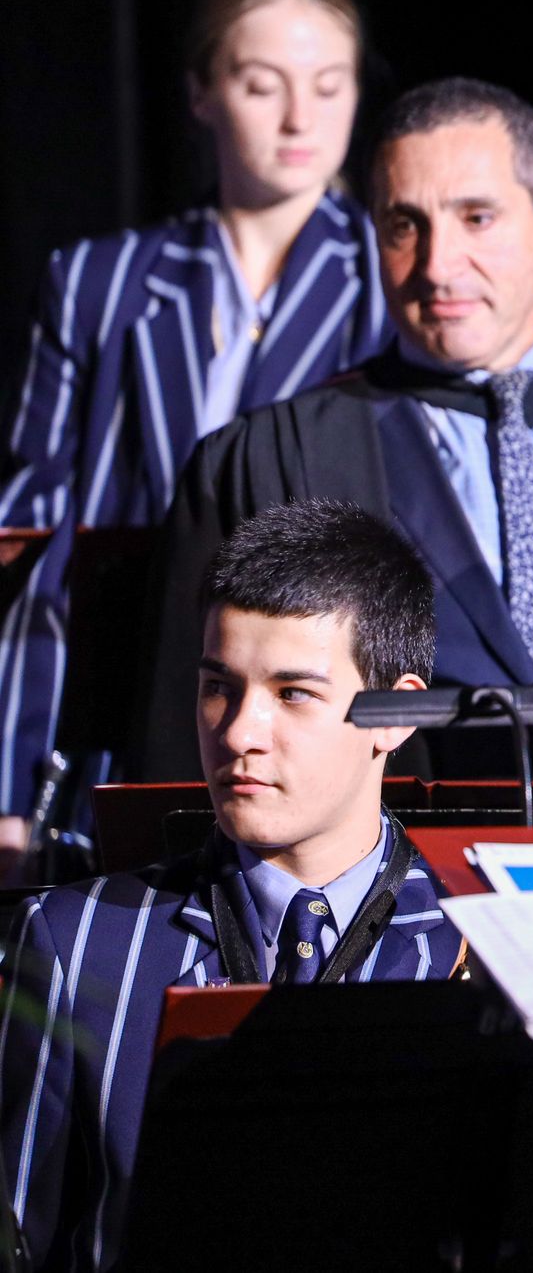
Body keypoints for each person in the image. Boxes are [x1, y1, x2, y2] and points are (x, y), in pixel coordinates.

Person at [138, 78, 533, 784]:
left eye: (477, 218)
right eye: (405, 225)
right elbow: (178, 755)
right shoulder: (266, 459)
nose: (437, 265)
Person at [0, 499, 466, 1272]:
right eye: (219, 686)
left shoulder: (489, 943)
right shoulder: (70, 943)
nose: (239, 732)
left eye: (292, 693)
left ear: (399, 711)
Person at [0, 0, 389, 864]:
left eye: (329, 85)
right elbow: (31, 558)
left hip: (315, 745)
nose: (299, 118)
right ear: (203, 92)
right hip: (118, 733)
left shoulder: (391, 280)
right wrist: (11, 787)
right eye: (262, 84)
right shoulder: (98, 283)